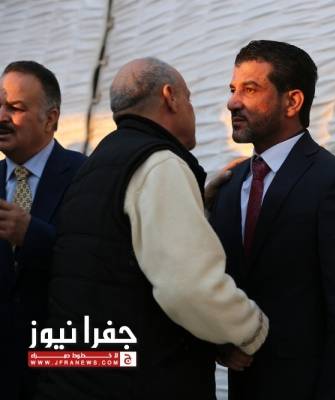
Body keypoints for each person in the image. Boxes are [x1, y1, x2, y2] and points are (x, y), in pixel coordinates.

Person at [34, 58, 268, 399]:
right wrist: (251, 330)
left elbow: (116, 256)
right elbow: (188, 287)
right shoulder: (160, 164)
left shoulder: (96, 165)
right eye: (189, 98)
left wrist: (196, 205)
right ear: (170, 96)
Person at [209, 40, 335, 400]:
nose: (232, 102)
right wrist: (221, 342)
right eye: (232, 89)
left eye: (249, 89)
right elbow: (223, 283)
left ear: (293, 102)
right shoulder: (227, 187)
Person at [0, 61, 86, 399]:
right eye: (0, 106)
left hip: (58, 370)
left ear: (51, 119)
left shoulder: (85, 175)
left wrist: (31, 235)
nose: (2, 116)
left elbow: (95, 263)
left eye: (16, 108)